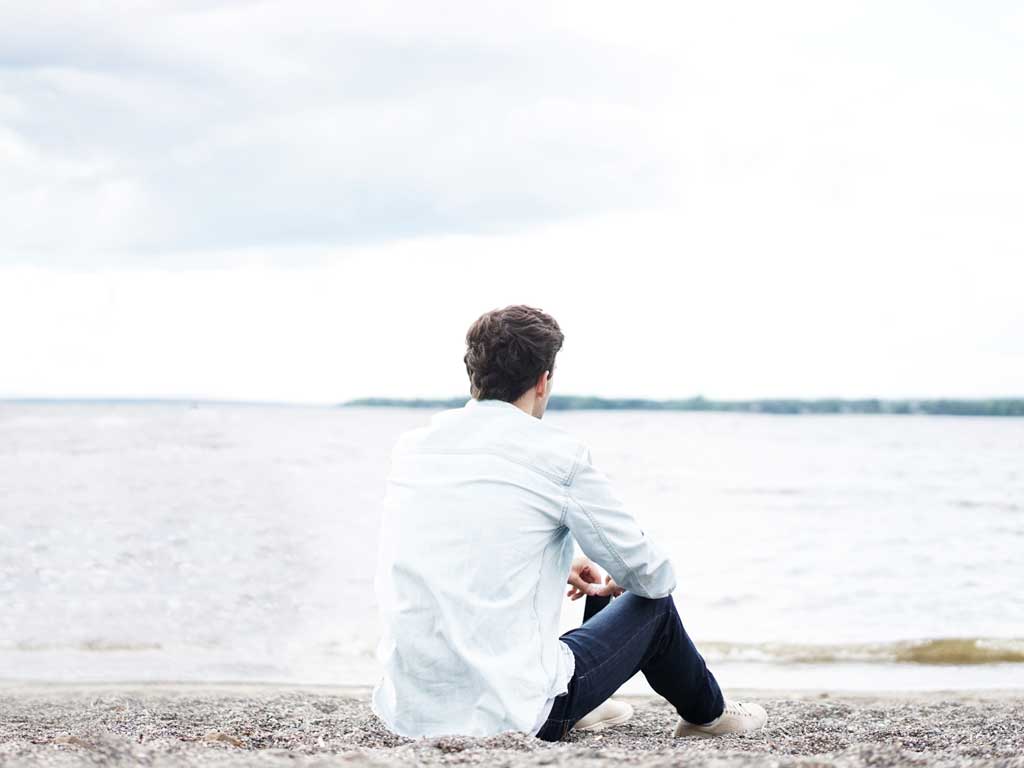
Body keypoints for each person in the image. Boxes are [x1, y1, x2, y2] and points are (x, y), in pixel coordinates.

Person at [371, 304, 768, 740]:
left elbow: (453, 545)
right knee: (653, 606)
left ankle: (588, 702)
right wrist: (622, 574)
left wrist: (557, 561)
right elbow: (652, 575)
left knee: (600, 583)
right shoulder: (556, 455)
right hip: (514, 714)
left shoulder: (414, 448)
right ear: (543, 381)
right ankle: (708, 716)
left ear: (473, 374)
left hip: (409, 710)